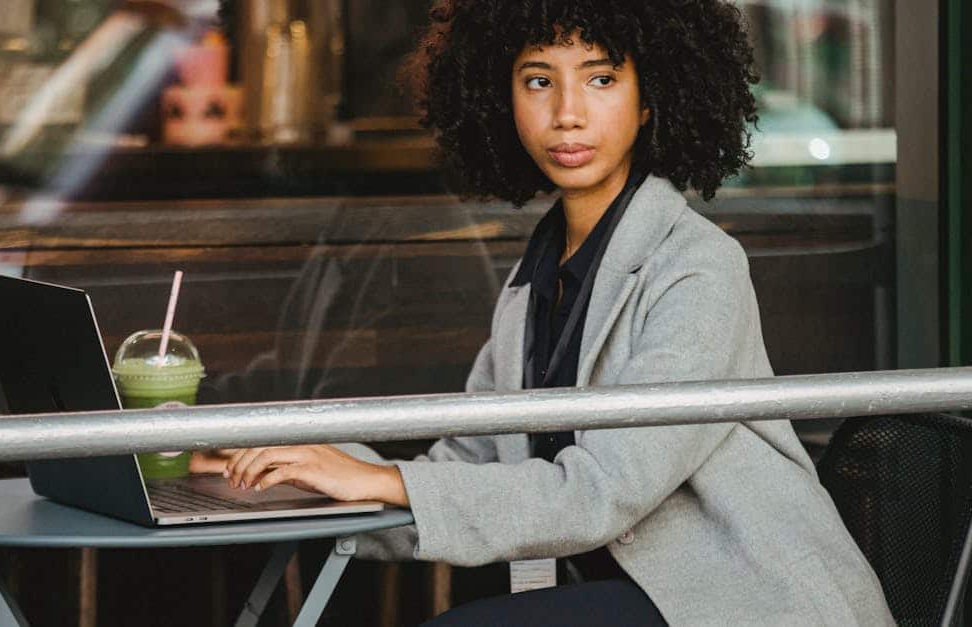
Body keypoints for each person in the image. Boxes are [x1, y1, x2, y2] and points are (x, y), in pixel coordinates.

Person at [193, 1, 894, 624]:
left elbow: (602, 493)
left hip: (745, 600)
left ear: (651, 97)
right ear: (503, 97)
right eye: (538, 80)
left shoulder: (698, 268)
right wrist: (291, 477)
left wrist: (382, 481)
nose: (567, 112)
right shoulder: (533, 283)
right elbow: (465, 466)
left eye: (601, 78)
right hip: (632, 595)